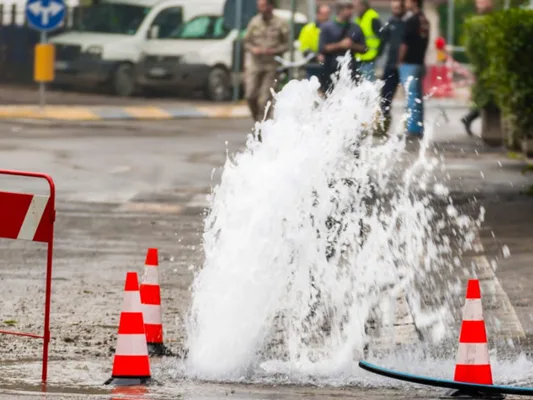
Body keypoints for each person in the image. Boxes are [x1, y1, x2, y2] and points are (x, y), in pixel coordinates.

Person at [243, 0, 290, 123]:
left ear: (270, 6)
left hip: (271, 65)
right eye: (259, 6)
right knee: (250, 95)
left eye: (263, 6)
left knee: (264, 99)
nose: (260, 9)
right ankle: (257, 120)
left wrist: (275, 50)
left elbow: (287, 45)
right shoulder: (254, 22)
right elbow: (246, 42)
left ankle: (263, 124)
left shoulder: (281, 23)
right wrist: (253, 49)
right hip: (255, 64)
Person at [318, 1, 366, 94]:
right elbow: (322, 48)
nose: (351, 12)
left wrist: (352, 46)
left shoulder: (356, 28)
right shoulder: (327, 27)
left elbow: (364, 48)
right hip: (330, 71)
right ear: (339, 10)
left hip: (350, 70)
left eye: (351, 8)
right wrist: (340, 45)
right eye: (347, 8)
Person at [460, 0, 493, 135]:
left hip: (488, 66)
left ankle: (469, 118)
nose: (487, 4)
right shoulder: (477, 23)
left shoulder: (489, 21)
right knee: (486, 97)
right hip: (484, 67)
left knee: (486, 97)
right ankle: (469, 117)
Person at [397, 0, 429, 138]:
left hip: (409, 63)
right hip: (419, 63)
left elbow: (405, 43)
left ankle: (413, 129)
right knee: (417, 98)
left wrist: (399, 60)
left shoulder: (411, 20)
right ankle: (418, 127)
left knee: (411, 98)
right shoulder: (424, 20)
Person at [379, 0, 406, 132]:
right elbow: (382, 41)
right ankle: (383, 125)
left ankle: (408, 126)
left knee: (409, 97)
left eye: (397, 8)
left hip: (405, 64)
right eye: (393, 8)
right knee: (385, 96)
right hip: (390, 64)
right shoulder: (390, 23)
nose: (395, 10)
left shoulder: (407, 23)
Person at [298, 4, 331, 80]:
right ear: (318, 14)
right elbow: (304, 48)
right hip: (313, 65)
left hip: (329, 65)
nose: (326, 17)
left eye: (328, 14)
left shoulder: (333, 28)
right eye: (324, 14)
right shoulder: (308, 29)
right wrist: (316, 56)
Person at [352, 0, 383, 82]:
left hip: (369, 57)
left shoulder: (372, 17)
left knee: (368, 84)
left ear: (363, 5)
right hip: (359, 57)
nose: (355, 8)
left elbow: (382, 36)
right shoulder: (359, 18)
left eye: (357, 5)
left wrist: (379, 53)